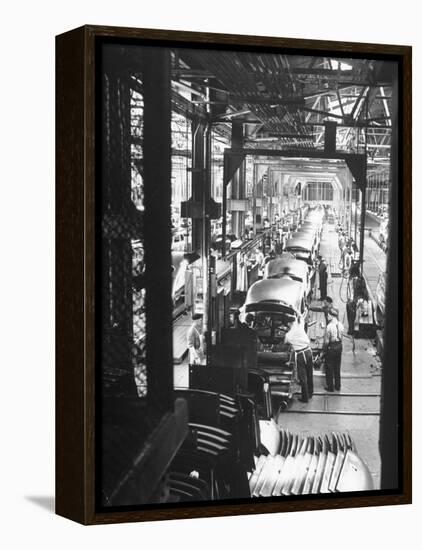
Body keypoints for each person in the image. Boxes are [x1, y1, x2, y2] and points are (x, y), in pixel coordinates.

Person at [284, 316, 314, 403]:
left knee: (302, 377)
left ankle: (305, 398)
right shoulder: (299, 325)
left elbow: (285, 341)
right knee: (309, 374)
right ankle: (310, 393)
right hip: (308, 351)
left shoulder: (288, 335)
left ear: (288, 324)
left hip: (301, 355)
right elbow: (301, 317)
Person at [323, 306, 344, 392]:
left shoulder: (329, 326)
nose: (327, 317)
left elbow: (326, 341)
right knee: (337, 366)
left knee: (329, 367)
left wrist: (324, 349)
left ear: (332, 316)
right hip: (339, 346)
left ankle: (330, 387)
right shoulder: (341, 325)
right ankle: (338, 386)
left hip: (331, 348)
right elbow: (341, 338)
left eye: (328, 315)